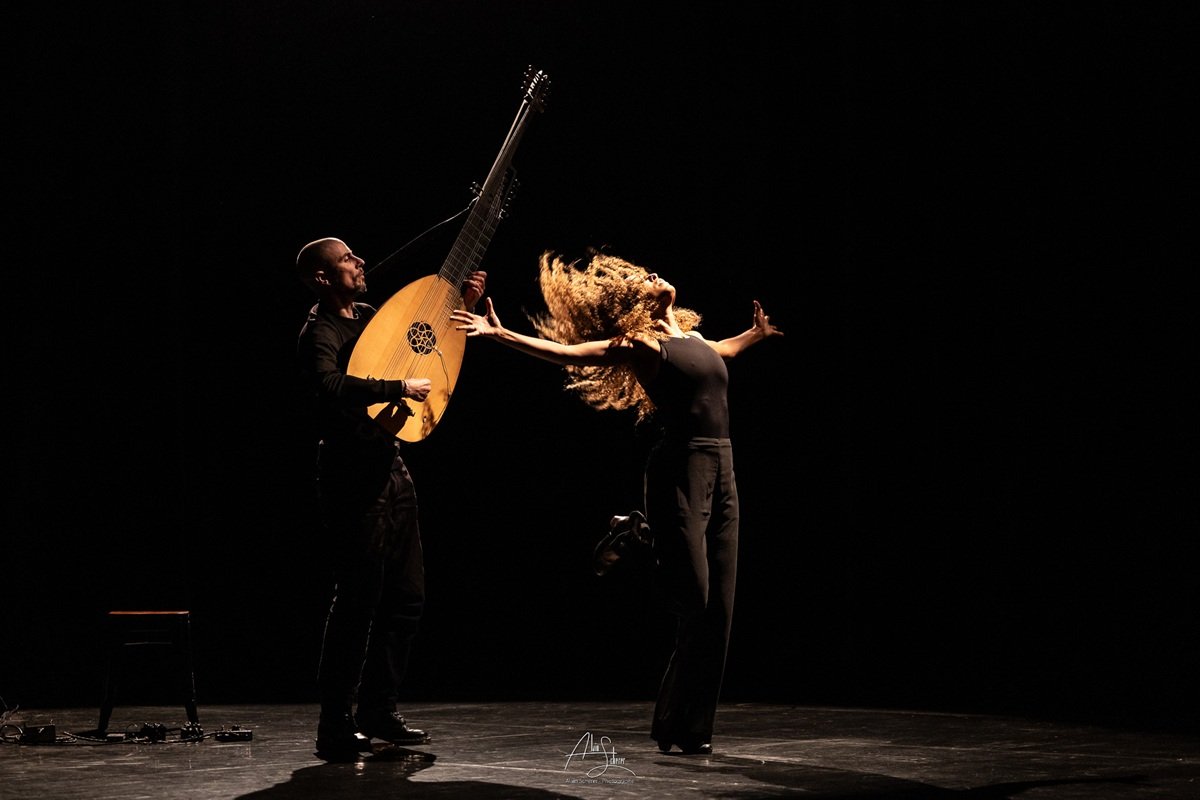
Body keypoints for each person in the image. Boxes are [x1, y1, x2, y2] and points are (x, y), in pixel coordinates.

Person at [451, 248, 782, 755]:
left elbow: (724, 352)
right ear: (635, 302)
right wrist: (502, 335)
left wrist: (754, 335)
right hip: (682, 466)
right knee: (693, 595)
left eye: (653, 271)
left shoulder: (692, 338)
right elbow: (568, 354)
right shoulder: (642, 345)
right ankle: (638, 535)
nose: (655, 274)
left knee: (718, 610)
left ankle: (688, 728)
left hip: (724, 466)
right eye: (645, 278)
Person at [294, 236, 486, 759]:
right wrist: (396, 387)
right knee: (357, 600)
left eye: (357, 255)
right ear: (322, 278)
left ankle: (379, 709)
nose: (359, 262)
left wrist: (463, 308)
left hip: (391, 465)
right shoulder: (319, 331)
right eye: (346, 259)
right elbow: (329, 384)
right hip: (349, 474)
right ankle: (335, 724)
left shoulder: (371, 317)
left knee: (407, 598)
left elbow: (423, 343)